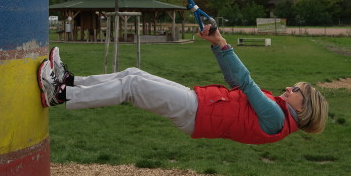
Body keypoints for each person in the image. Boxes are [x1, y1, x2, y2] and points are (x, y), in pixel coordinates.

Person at [38, 26, 328, 144]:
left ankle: (60, 95)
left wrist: (223, 43)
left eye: (296, 91)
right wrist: (217, 45)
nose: (289, 88)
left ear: (304, 109)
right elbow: (235, 83)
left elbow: (245, 82)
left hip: (197, 113)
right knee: (132, 73)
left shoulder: (277, 119)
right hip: (198, 105)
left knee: (132, 87)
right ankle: (69, 82)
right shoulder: (276, 110)